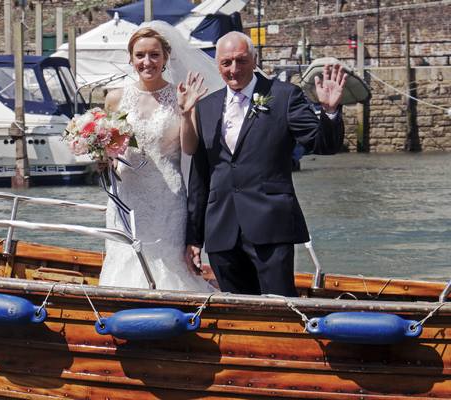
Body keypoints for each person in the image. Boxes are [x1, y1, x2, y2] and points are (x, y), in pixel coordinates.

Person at [186, 31, 347, 297]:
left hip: (271, 224)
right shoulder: (205, 106)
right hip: (221, 229)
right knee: (235, 311)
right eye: (226, 63)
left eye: (241, 60)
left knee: (280, 307)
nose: (234, 69)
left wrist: (329, 113)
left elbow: (324, 146)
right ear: (217, 64)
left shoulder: (285, 97)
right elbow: (200, 176)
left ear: (255, 59)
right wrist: (194, 237)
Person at [98, 22, 221, 291]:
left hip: (167, 197)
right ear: (131, 59)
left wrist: (188, 113)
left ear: (165, 57)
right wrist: (101, 155)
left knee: (168, 265)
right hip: (126, 196)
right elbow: (107, 145)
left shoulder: (180, 95)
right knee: (125, 258)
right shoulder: (116, 98)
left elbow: (189, 148)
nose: (147, 61)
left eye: (154, 54)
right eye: (140, 55)